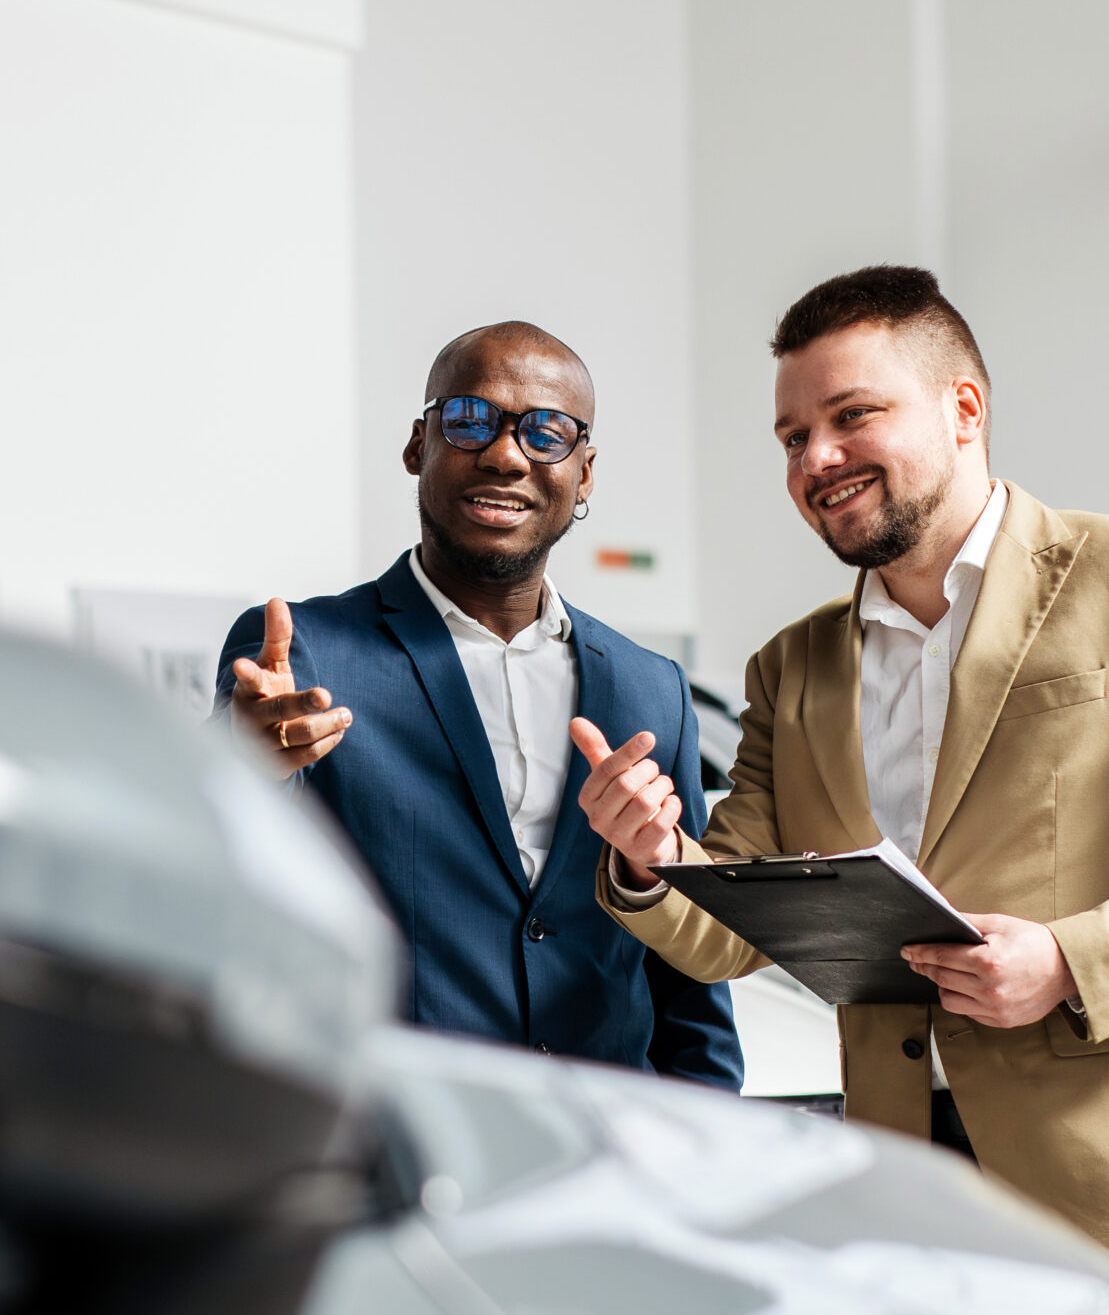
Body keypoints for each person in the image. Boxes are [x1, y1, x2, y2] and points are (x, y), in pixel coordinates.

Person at [577, 265, 1109, 1315]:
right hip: (900, 1185)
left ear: (962, 408)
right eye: (792, 438)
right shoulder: (791, 667)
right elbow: (731, 927)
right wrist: (650, 859)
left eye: (852, 417)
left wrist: (1069, 960)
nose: (817, 459)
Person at [215, 322, 741, 1085]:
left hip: (606, 1147)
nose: (504, 453)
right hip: (395, 1145)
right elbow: (221, 888)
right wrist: (239, 767)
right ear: (416, 446)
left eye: (547, 432)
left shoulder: (651, 687)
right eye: (468, 419)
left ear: (584, 473)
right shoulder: (307, 657)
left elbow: (690, 981)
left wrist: (705, 1149)